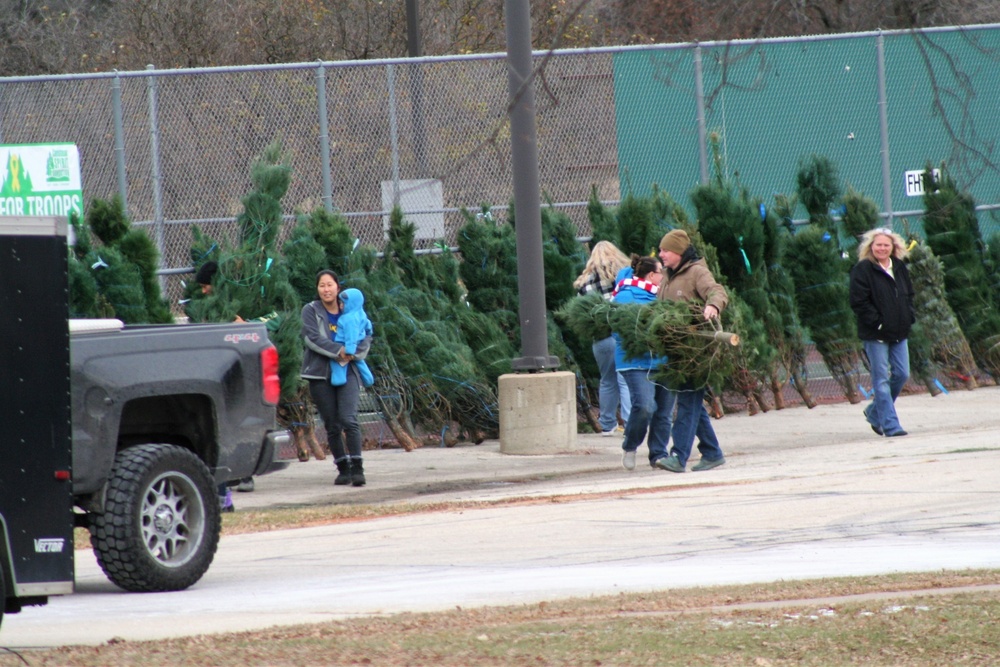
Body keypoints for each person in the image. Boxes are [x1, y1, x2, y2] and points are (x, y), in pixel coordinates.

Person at [655, 229, 728, 473]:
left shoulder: (697, 271)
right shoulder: (667, 276)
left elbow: (717, 291)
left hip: (697, 351)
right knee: (692, 402)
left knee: (687, 401)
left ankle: (678, 456)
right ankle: (712, 452)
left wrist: (713, 306)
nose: (661, 254)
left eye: (665, 250)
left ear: (678, 251)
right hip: (677, 349)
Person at [301, 270, 372, 486]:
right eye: (322, 285)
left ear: (338, 287)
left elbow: (366, 334)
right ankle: (343, 468)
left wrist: (354, 353)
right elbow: (311, 338)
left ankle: (358, 468)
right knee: (332, 424)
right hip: (320, 374)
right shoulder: (311, 310)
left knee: (349, 419)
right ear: (317, 289)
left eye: (330, 285)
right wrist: (339, 350)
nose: (326, 289)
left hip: (348, 370)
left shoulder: (350, 308)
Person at [849, 227, 915, 438]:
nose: (882, 248)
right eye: (878, 244)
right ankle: (890, 425)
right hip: (875, 334)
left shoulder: (899, 267)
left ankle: (874, 412)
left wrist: (908, 316)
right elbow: (858, 302)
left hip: (899, 331)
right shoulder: (863, 270)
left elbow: (909, 294)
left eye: (886, 245)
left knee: (902, 373)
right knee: (881, 379)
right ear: (871, 247)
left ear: (893, 247)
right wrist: (878, 323)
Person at [612, 254, 673, 471]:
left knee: (664, 412)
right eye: (660, 272)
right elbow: (620, 329)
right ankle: (630, 445)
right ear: (651, 275)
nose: (663, 276)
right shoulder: (626, 296)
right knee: (645, 406)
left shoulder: (662, 295)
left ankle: (658, 454)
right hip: (635, 362)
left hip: (663, 361)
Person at [191, 261, 240, 510]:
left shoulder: (232, 309)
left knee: (221, 441)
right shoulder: (206, 311)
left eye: (206, 285)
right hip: (212, 383)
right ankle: (221, 497)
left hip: (229, 384)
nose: (203, 291)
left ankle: (224, 498)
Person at [573, 240, 632, 436]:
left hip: (601, 338)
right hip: (622, 333)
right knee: (625, 378)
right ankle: (630, 422)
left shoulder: (584, 282)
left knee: (607, 380)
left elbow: (581, 313)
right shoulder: (623, 276)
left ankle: (607, 424)